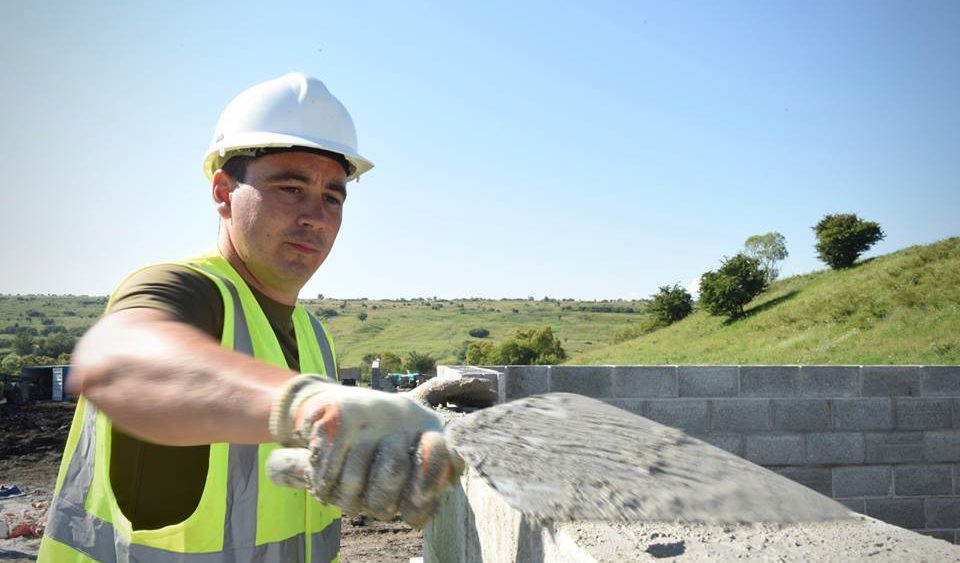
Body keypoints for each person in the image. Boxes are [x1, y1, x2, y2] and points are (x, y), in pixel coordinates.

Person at [38, 72, 461, 562]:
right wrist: (309, 408)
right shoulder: (182, 289)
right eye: (290, 188)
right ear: (222, 192)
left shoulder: (314, 336)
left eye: (332, 197)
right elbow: (120, 362)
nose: (315, 217)